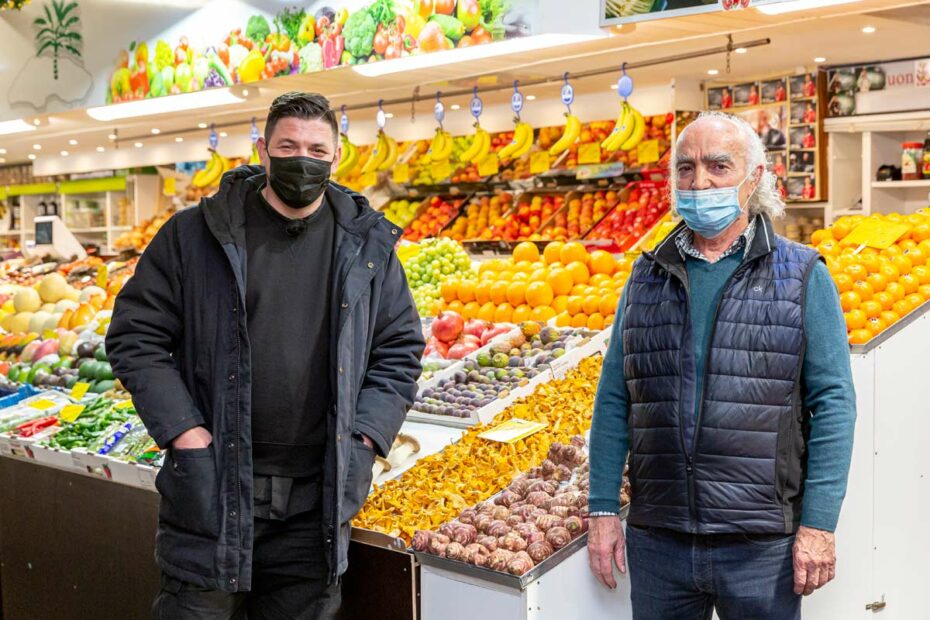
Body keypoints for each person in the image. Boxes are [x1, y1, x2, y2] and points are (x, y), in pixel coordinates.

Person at [107, 92, 425, 619]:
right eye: (289, 146)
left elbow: (400, 348)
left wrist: (364, 439)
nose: (304, 159)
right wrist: (186, 432)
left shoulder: (366, 246)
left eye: (317, 150)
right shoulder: (194, 236)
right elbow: (133, 337)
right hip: (213, 491)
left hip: (317, 504)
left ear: (337, 156)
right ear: (263, 149)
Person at [587, 112, 855, 620]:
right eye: (685, 169)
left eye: (718, 165)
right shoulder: (645, 276)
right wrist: (602, 509)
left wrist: (818, 524)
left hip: (760, 546)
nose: (699, 181)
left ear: (753, 179)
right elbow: (615, 396)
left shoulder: (802, 275)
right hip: (659, 540)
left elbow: (835, 405)